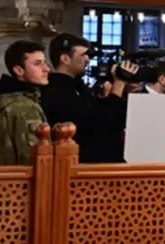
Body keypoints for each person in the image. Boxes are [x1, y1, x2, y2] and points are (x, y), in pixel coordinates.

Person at [40, 33, 131, 163]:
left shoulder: (78, 86)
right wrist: (118, 85)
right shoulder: (58, 91)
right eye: (83, 55)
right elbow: (94, 127)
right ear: (65, 59)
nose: (88, 60)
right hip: (80, 164)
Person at [0, 40, 50, 166]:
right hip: (19, 182)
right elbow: (33, 157)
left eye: (44, 63)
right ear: (19, 70)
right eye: (37, 64)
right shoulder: (24, 106)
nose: (46, 69)